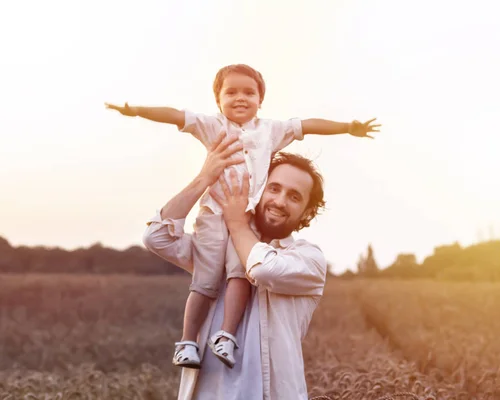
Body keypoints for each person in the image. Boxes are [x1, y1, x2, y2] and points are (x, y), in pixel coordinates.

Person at [106, 64, 380, 369]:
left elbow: (308, 125)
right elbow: (175, 115)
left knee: (241, 273)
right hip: (212, 218)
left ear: (261, 100)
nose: (240, 98)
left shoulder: (271, 130)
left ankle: (226, 335)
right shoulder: (211, 126)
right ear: (217, 100)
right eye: (231, 92)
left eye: (249, 92)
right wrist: (136, 110)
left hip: (246, 220)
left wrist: (347, 127)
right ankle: (187, 343)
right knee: (204, 282)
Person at [142, 132, 330, 399]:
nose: (279, 201)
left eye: (294, 197)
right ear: (259, 188)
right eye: (273, 188)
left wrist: (238, 224)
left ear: (307, 212)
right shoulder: (218, 250)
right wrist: (204, 179)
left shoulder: (308, 259)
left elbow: (262, 268)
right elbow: (156, 237)